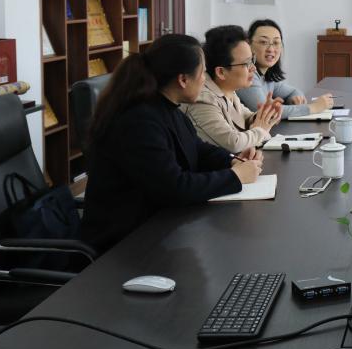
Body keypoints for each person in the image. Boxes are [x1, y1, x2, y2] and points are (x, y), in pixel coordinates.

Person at [79, 34, 262, 252]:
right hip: (123, 244)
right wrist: (235, 177)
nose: (205, 80)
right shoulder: (138, 121)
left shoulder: (168, 107)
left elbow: (197, 149)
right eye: (202, 73)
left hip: (159, 227)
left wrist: (232, 161)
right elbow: (175, 187)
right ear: (183, 80)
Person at [184, 25, 283, 153]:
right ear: (221, 72)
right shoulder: (202, 99)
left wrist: (266, 114)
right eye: (246, 63)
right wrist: (261, 130)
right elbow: (233, 143)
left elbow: (245, 117)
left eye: (252, 60)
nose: (253, 68)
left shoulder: (228, 89)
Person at [237, 19, 333, 119]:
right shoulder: (247, 74)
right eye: (264, 42)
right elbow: (265, 111)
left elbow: (293, 91)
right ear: (249, 45)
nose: (271, 49)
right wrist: (314, 107)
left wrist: (294, 99)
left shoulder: (267, 76)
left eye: (276, 42)